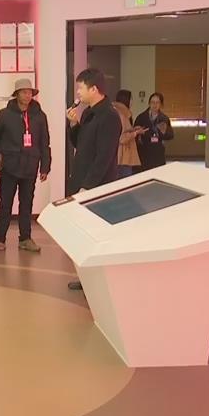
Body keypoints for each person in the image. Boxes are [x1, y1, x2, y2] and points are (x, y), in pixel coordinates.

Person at [66, 69, 121, 289]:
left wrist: (87, 186)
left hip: (97, 186)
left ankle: (100, 280)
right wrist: (73, 124)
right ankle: (88, 278)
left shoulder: (110, 116)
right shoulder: (89, 112)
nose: (78, 93)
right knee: (84, 235)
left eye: (81, 88)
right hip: (82, 181)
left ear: (94, 89)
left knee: (97, 235)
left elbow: (104, 157)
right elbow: (80, 144)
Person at [0, 78, 52, 254]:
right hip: (9, 166)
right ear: (16, 94)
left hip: (30, 166)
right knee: (5, 204)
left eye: (30, 92)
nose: (28, 95)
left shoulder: (39, 116)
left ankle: (25, 238)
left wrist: (45, 166)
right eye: (24, 92)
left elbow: (45, 142)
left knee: (26, 204)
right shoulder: (4, 115)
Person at [135, 92, 174, 171]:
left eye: (157, 102)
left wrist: (164, 132)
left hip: (158, 152)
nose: (154, 105)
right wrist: (139, 132)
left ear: (161, 105)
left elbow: (170, 135)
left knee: (158, 173)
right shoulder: (141, 117)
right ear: (149, 103)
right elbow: (134, 133)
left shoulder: (164, 118)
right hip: (144, 152)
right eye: (152, 102)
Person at [112, 89, 144, 179]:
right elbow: (122, 138)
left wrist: (133, 129)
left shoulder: (119, 112)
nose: (132, 102)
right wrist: (135, 133)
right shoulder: (121, 115)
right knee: (125, 182)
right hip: (123, 157)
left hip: (119, 156)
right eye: (131, 99)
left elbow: (123, 130)